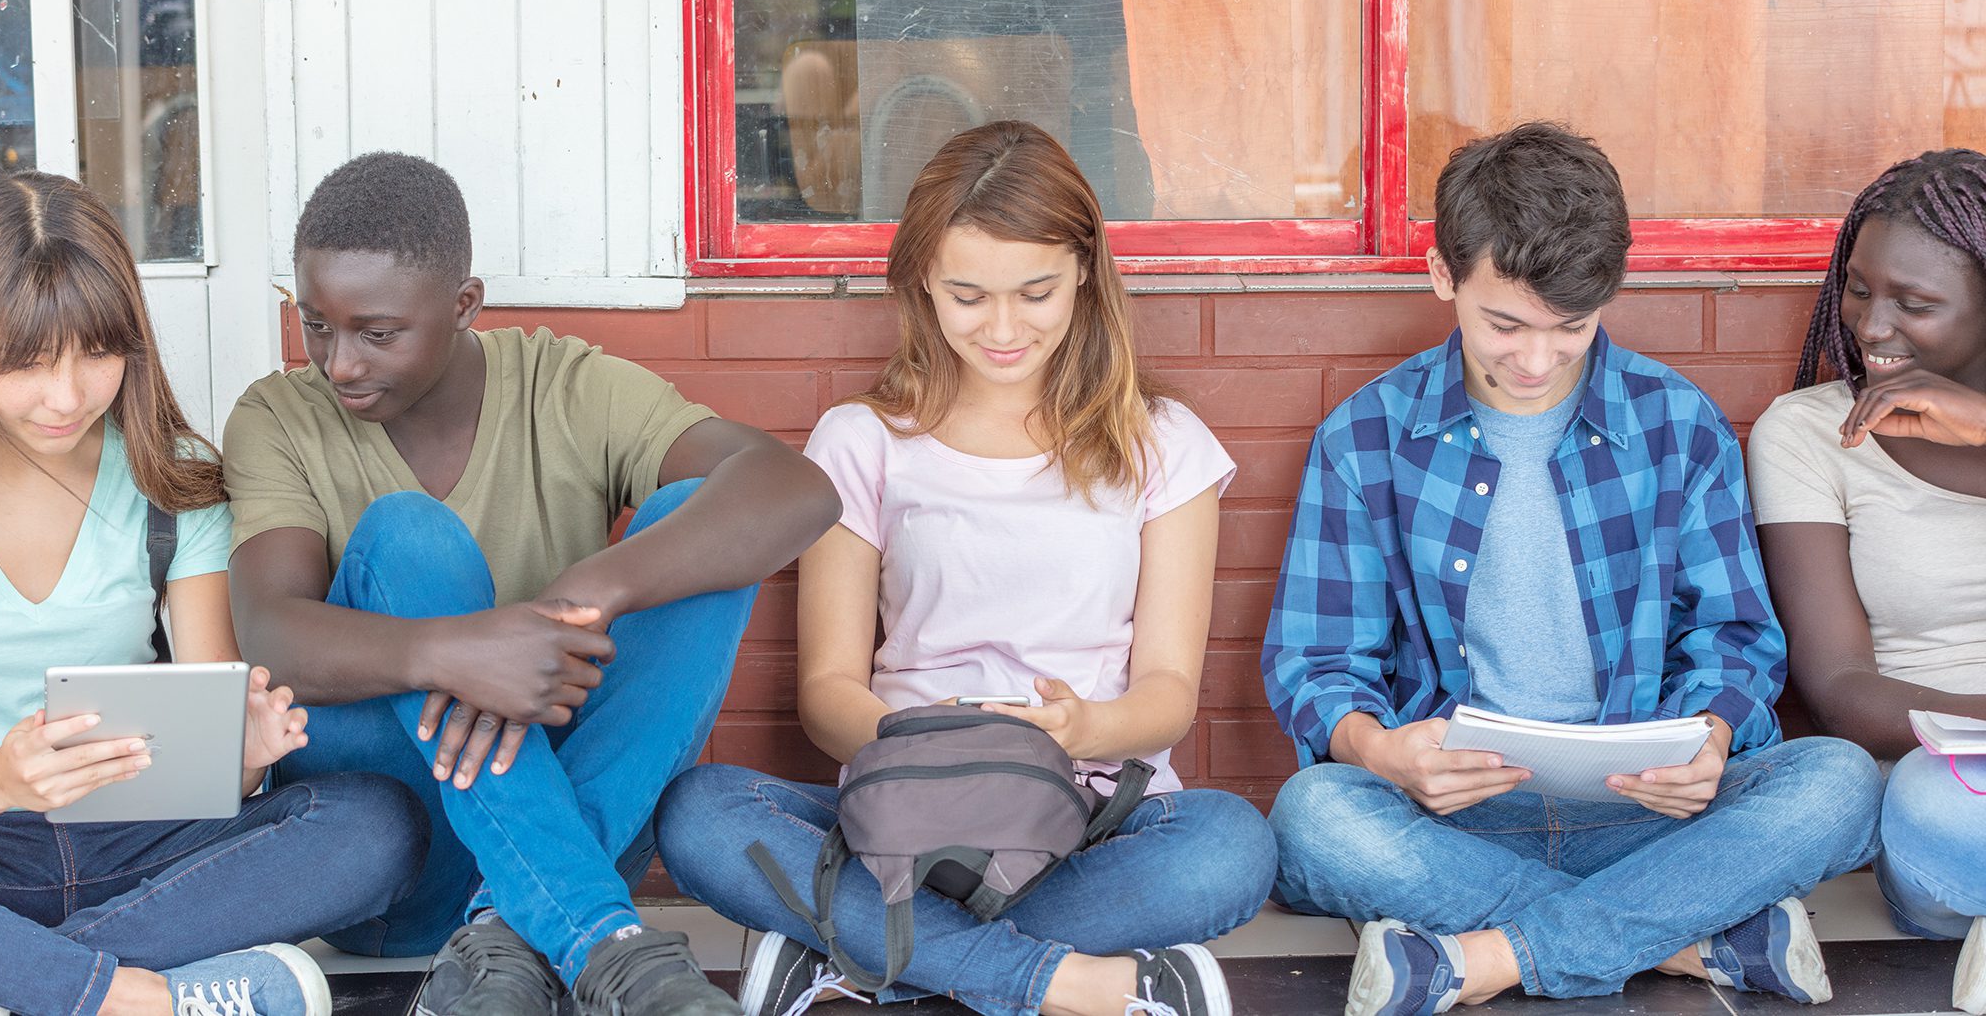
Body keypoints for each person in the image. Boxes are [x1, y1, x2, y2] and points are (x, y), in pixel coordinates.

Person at [655, 121, 1277, 1016]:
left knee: (1232, 846)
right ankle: (1065, 980)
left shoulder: (1162, 443)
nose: (1004, 328)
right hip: (903, 818)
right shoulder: (861, 440)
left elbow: (1169, 693)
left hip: (1092, 812)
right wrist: (920, 740)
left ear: (1084, 272)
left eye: (1036, 293)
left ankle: (862, 955)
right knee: (699, 811)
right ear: (922, 283)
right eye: (969, 295)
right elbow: (826, 692)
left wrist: (1080, 728)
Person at [1261, 122, 1884, 1013]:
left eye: (1571, 327)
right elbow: (1317, 663)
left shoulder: (1679, 424)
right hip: (1451, 817)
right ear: (1442, 274)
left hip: (1649, 816)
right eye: (1504, 324)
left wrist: (1711, 738)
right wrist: (1385, 751)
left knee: (1839, 782)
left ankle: (1484, 955)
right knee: (1313, 816)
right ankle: (1682, 939)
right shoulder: (1365, 437)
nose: (1536, 359)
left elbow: (1735, 638)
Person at [221, 153, 842, 1016]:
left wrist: (591, 590)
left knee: (697, 522)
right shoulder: (278, 415)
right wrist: (455, 652)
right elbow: (270, 632)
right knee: (407, 536)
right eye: (316, 325)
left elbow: (796, 488)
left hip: (571, 828)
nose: (340, 364)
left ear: (464, 304)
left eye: (378, 332)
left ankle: (512, 931)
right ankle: (597, 937)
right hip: (402, 862)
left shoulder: (565, 386)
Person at [0, 171, 427, 1016]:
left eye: (96, 352)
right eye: (28, 361)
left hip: (139, 841)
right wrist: (3, 778)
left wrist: (246, 752)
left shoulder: (172, 476)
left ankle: (36, 982)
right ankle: (140, 996)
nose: (66, 396)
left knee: (378, 824)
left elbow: (207, 732)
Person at [1749, 148, 1986, 1015]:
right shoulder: (1808, 434)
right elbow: (1840, 689)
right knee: (1933, 809)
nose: (1872, 326)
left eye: (1914, 304)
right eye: (1857, 289)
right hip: (1949, 775)